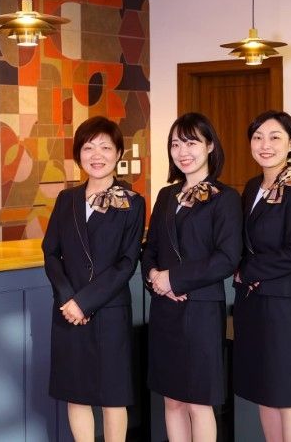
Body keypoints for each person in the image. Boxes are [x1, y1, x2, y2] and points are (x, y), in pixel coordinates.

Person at [42, 116, 146, 442]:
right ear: (79, 154)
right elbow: (51, 253)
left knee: (113, 396)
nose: (96, 155)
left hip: (109, 310)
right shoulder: (66, 200)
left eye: (105, 147)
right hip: (68, 311)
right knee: (76, 393)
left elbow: (127, 263)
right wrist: (67, 299)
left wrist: (84, 302)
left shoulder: (132, 202)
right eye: (88, 148)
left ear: (118, 154)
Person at [142, 112, 242, 442]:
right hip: (165, 310)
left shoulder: (225, 198)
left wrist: (175, 279)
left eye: (191, 143)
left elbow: (227, 258)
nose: (183, 151)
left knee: (199, 402)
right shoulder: (166, 196)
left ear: (210, 146)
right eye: (176, 144)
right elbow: (150, 249)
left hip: (201, 311)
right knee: (172, 400)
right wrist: (155, 277)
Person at [232, 110, 291, 442]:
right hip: (251, 304)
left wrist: (247, 270)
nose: (265, 145)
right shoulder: (253, 186)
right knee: (264, 392)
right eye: (257, 137)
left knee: (286, 395)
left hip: (281, 307)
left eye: (275, 137)